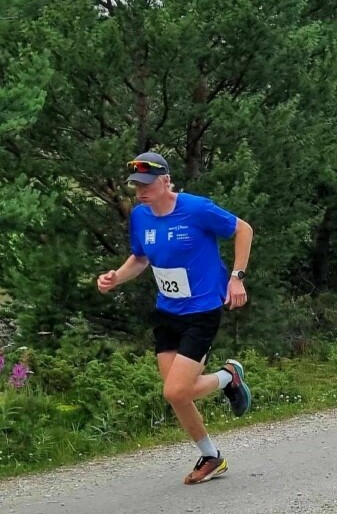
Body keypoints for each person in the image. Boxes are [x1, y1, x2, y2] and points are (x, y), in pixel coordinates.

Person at [96, 152, 253, 484]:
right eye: (136, 185)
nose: (140, 191)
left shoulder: (196, 209)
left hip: (201, 311)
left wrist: (236, 276)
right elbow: (140, 259)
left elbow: (243, 229)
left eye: (147, 184)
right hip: (167, 311)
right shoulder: (140, 217)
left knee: (175, 392)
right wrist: (115, 278)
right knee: (177, 393)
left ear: (166, 181)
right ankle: (211, 456)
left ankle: (228, 376)